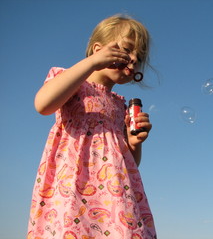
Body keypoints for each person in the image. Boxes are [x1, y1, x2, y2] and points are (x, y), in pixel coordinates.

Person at [27, 14, 157, 239]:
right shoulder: (71, 81)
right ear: (98, 49)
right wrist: (92, 63)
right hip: (72, 188)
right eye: (126, 49)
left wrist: (134, 144)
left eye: (139, 56)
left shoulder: (120, 105)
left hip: (114, 195)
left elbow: (127, 163)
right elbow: (43, 104)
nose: (134, 59)